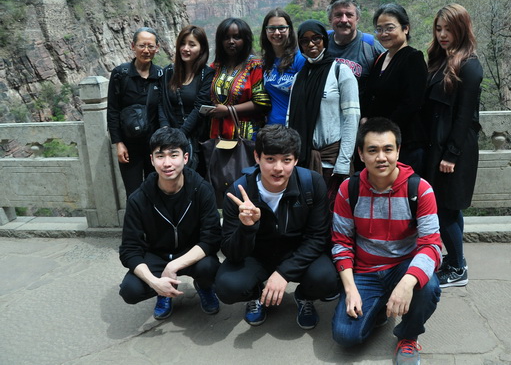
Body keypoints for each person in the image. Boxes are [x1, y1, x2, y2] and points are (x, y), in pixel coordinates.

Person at [331, 117, 442, 364]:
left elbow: (431, 245)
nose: (381, 157)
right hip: (365, 270)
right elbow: (341, 242)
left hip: (403, 266)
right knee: (345, 336)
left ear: (398, 151)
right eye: (372, 150)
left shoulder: (420, 189)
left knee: (428, 286)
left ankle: (408, 336)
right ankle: (379, 307)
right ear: (361, 154)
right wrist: (350, 289)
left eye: (388, 149)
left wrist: (407, 283)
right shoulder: (348, 189)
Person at [216, 125, 339, 330]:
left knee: (327, 278)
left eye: (286, 160)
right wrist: (247, 227)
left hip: (297, 251)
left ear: (296, 160)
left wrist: (283, 273)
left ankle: (304, 297)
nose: (278, 168)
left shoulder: (312, 183)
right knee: (227, 286)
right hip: (257, 256)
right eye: (270, 159)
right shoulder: (238, 192)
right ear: (257, 157)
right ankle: (257, 295)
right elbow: (231, 252)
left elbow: (318, 237)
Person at [118, 127, 221, 320]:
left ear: (185, 158)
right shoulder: (139, 198)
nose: (167, 163)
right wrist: (154, 282)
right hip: (157, 254)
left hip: (191, 252)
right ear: (152, 160)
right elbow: (129, 250)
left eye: (174, 155)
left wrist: (173, 266)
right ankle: (163, 291)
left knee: (210, 268)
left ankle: (204, 286)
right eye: (160, 156)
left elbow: (211, 239)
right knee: (130, 290)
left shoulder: (201, 189)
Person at [425, 4, 483, 288]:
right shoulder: (440, 59)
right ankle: (456, 259)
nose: (443, 35)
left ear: (461, 29)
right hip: (439, 145)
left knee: (443, 209)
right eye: (439, 29)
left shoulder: (469, 65)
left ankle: (458, 268)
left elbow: (465, 116)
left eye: (448, 29)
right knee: (451, 207)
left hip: (455, 148)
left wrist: (452, 154)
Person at [287, 19, 360, 207]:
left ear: (324, 41)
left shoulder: (340, 72)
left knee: (332, 214)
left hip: (332, 163)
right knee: (308, 215)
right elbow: (289, 118)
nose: (311, 44)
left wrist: (343, 162)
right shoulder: (299, 77)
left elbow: (352, 118)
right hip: (304, 163)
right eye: (305, 41)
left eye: (316, 39)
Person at [363, 4, 428, 175]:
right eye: (379, 29)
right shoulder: (382, 58)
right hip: (380, 143)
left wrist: (384, 130)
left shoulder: (413, 58)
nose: (384, 34)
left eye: (389, 28)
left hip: (405, 145)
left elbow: (411, 104)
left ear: (405, 28)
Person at [107, 27, 163, 197]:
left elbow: (164, 109)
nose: (146, 50)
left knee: (157, 190)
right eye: (141, 45)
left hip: (154, 144)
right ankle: (136, 216)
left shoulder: (161, 75)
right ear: (133, 46)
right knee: (134, 193)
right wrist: (118, 143)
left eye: (151, 46)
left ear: (157, 48)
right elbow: (113, 110)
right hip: (129, 145)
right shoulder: (120, 74)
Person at [159, 25, 214, 174]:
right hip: (169, 138)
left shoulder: (207, 74)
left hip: (196, 139)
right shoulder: (168, 72)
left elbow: (200, 107)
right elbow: (162, 103)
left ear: (202, 49)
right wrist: (165, 131)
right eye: (182, 44)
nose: (185, 48)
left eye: (192, 44)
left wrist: (180, 135)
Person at [206, 18, 270, 140]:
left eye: (236, 37)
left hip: (245, 135)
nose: (231, 41)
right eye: (226, 38)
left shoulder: (255, 66)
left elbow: (261, 103)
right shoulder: (216, 67)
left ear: (245, 40)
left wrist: (228, 110)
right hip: (217, 132)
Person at [326, 0, 384, 96]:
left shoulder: (370, 46)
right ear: (330, 19)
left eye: (349, 15)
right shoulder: (321, 43)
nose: (344, 20)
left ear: (357, 18)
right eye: (338, 15)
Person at [260, 8, 306, 125]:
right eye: (271, 28)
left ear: (289, 30)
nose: (276, 33)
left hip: (294, 126)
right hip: (271, 127)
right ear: (265, 31)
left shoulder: (300, 60)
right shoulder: (265, 61)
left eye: (281, 28)